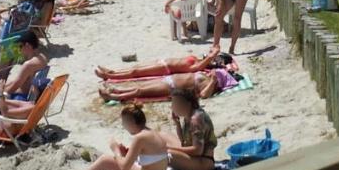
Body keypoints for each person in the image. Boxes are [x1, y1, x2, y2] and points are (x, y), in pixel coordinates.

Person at [36, 103, 169, 170]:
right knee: (105, 160)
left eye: (124, 123)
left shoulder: (140, 138)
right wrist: (124, 153)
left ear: (132, 122)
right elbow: (148, 158)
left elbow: (124, 168)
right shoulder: (149, 133)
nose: (124, 126)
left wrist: (116, 150)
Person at [96, 66, 239, 102]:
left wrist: (213, 81)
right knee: (140, 86)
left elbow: (203, 96)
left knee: (140, 91)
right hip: (169, 79)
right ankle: (116, 90)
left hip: (171, 87)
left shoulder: (210, 86)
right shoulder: (206, 76)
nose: (213, 72)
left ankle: (114, 97)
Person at [166, 87, 218, 170]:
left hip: (203, 162)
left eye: (175, 103)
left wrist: (169, 149)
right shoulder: (189, 116)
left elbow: (197, 151)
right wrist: (177, 124)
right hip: (194, 158)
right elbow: (183, 140)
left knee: (164, 154)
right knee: (163, 136)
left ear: (187, 104)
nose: (172, 107)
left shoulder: (195, 120)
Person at [95, 48, 229, 80]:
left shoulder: (199, 66)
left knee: (135, 73)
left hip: (165, 68)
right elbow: (211, 50)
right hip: (162, 62)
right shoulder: (198, 59)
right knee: (135, 68)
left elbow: (202, 64)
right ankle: (111, 72)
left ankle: (110, 76)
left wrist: (213, 56)